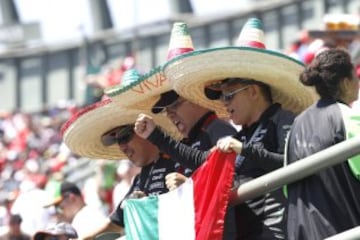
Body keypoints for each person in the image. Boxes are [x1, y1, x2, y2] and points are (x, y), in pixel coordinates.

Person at [135, 18, 316, 239]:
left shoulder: (283, 119)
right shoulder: (243, 133)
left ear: (253, 91)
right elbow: (205, 162)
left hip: (278, 232)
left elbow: (291, 165)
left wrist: (245, 150)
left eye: (229, 95)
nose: (224, 103)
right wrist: (156, 135)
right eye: (221, 97)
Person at [60, 98, 181, 239]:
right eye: (117, 141)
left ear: (144, 129)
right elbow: (115, 223)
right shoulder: (139, 180)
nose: (121, 147)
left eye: (124, 137)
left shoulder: (177, 161)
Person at [285, 48, 360, 240]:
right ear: (345, 82)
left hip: (301, 233)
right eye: (355, 77)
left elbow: (287, 188)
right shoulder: (349, 117)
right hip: (345, 231)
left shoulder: (296, 124)